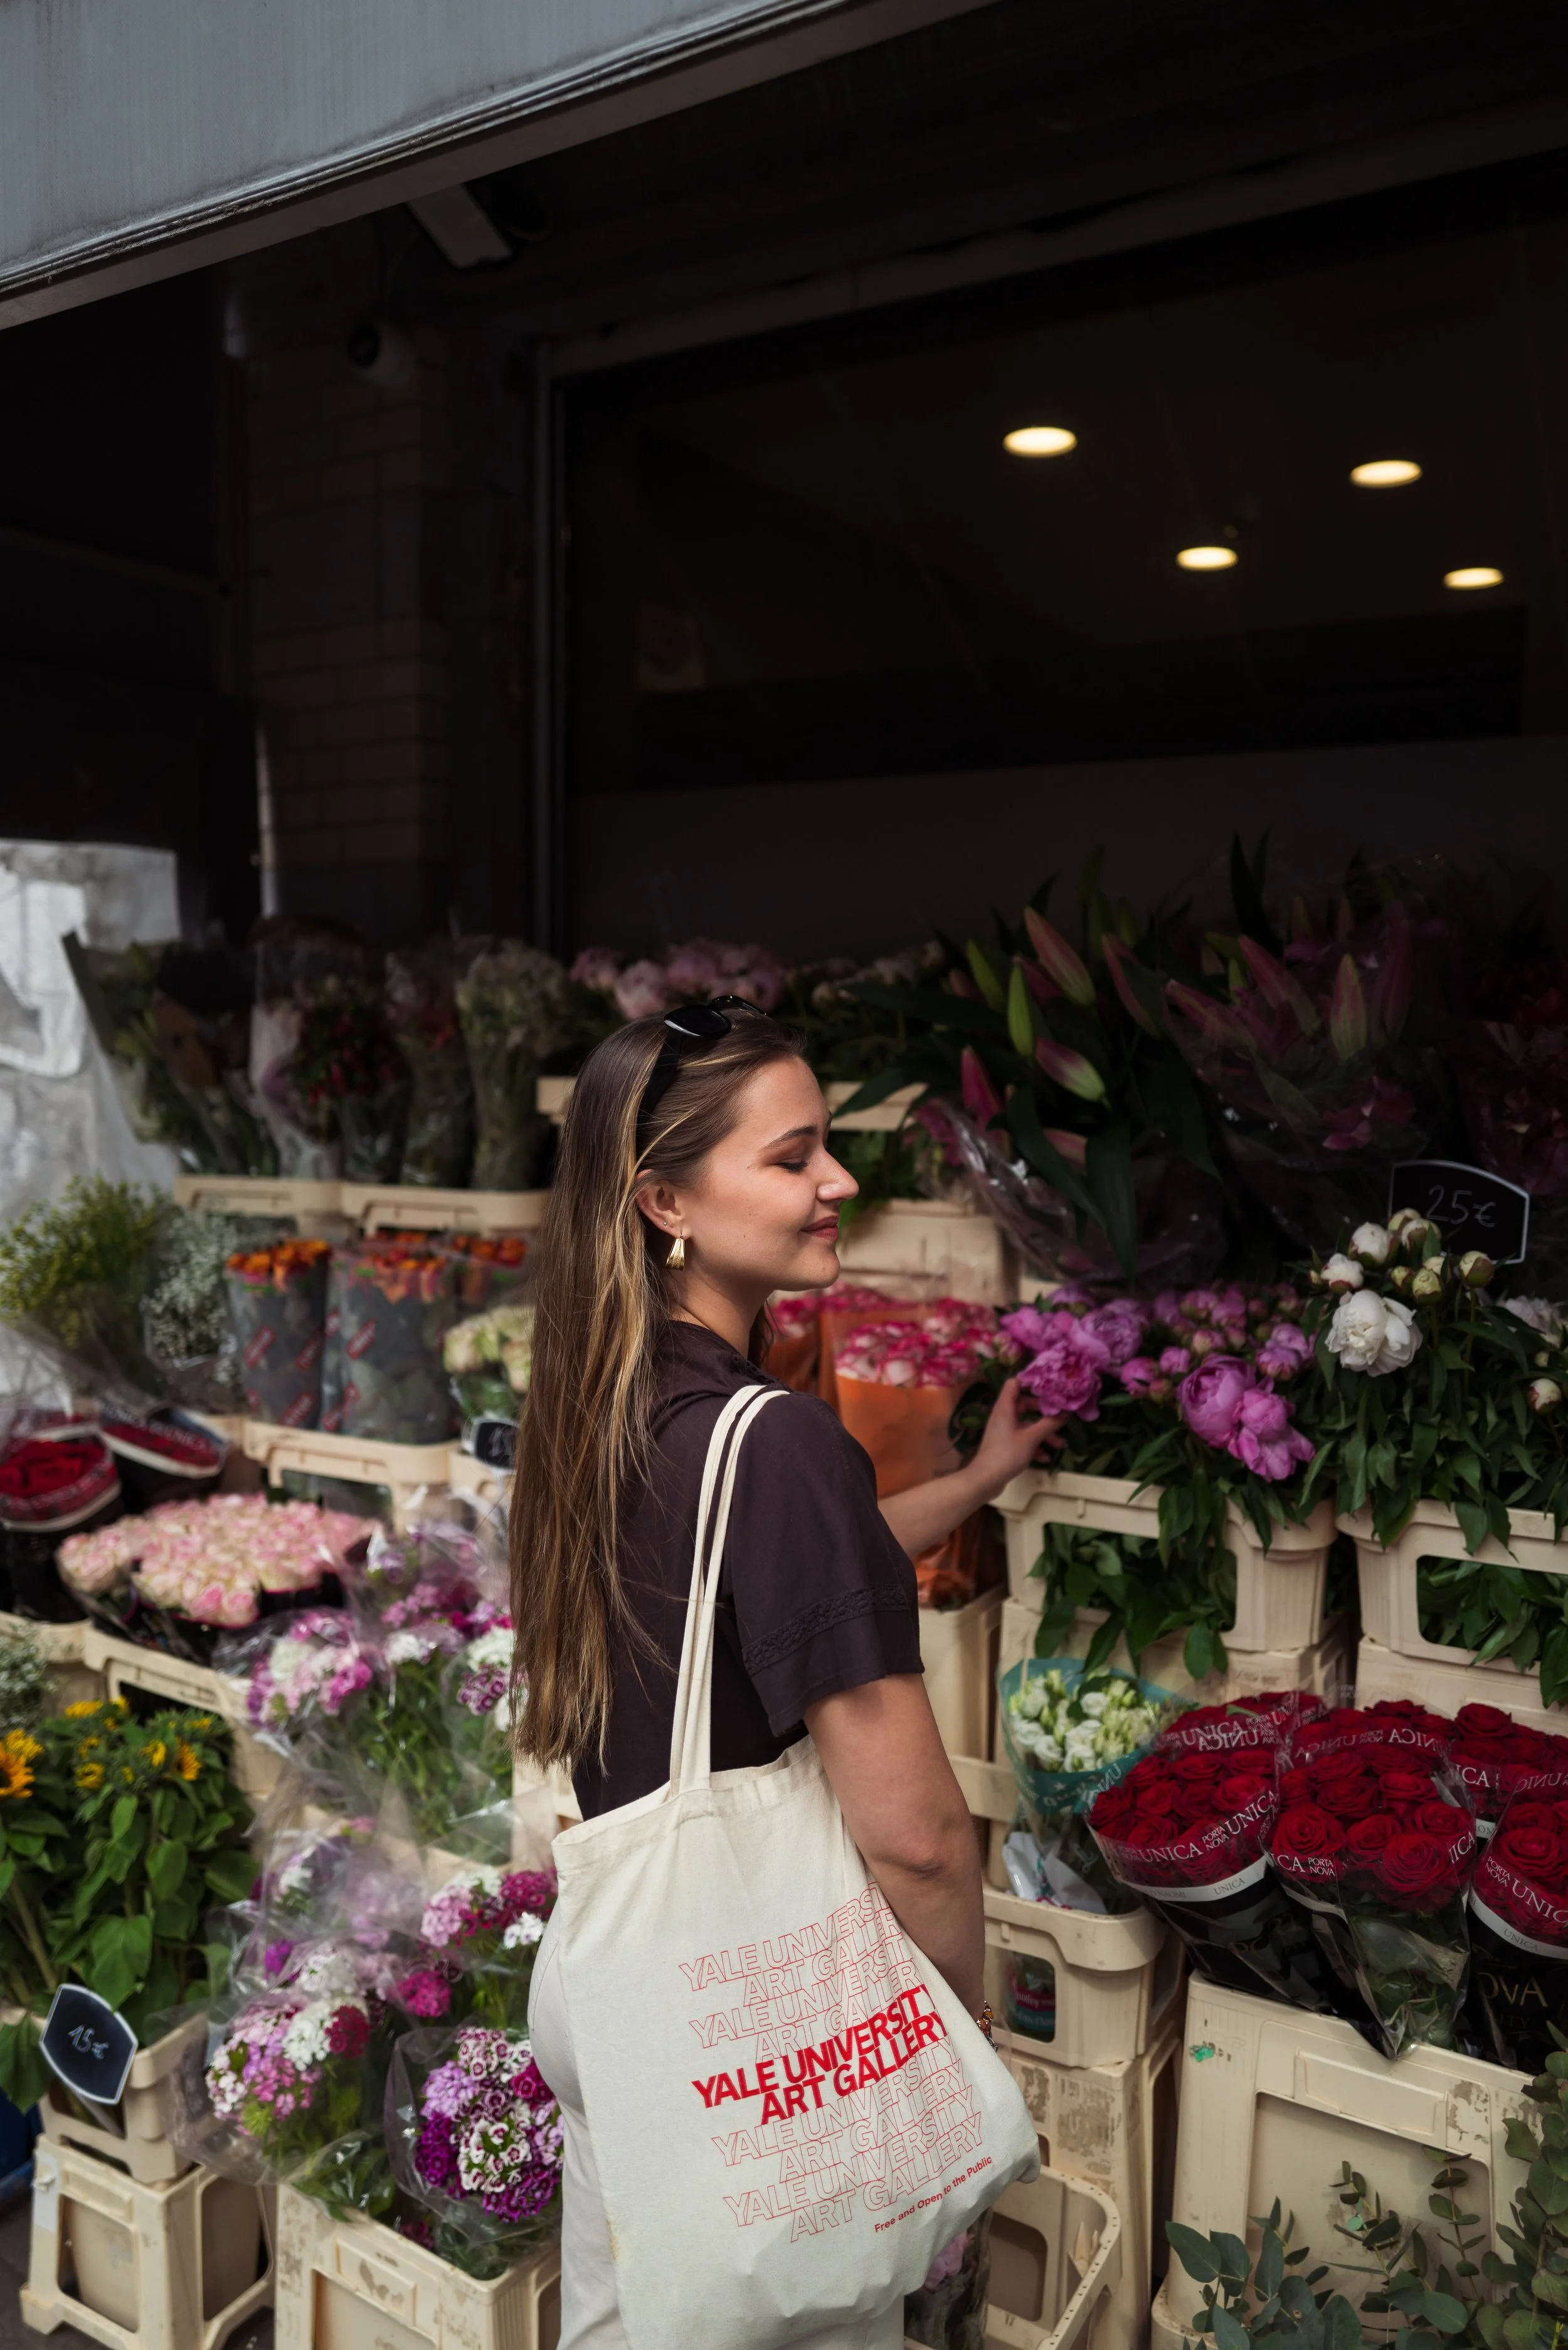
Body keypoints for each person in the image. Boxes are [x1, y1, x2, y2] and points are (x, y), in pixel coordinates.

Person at [513, 999, 1052, 2350]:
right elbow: (919, 1840)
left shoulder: (595, 1401)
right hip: (753, 2021)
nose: (838, 1183)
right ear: (664, 1199)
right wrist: (949, 2029)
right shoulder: (779, 1446)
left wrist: (974, 1484)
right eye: (793, 1155)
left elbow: (788, 1579)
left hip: (621, 1987)